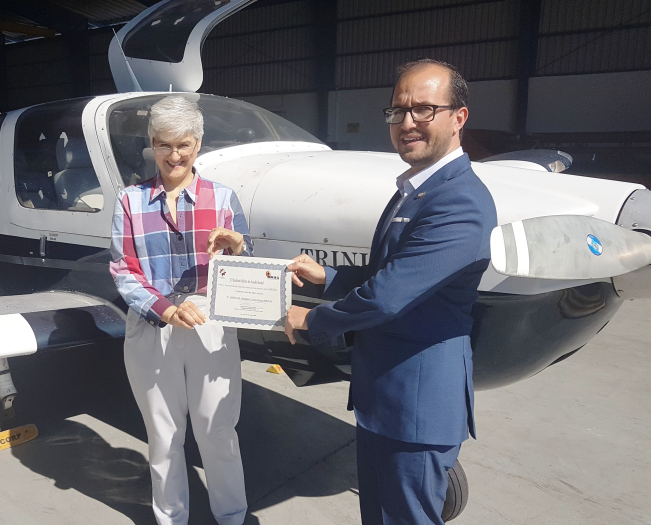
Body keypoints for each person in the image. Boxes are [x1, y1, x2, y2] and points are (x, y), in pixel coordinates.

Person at [284, 59, 497, 524]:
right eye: (398, 111)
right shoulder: (414, 189)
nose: (407, 123)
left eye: (424, 110)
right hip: (386, 397)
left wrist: (311, 319)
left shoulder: (459, 201)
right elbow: (389, 271)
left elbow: (387, 297)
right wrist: (328, 276)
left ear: (458, 117)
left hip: (417, 405)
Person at [109, 95, 251, 525]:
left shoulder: (223, 198)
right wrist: (165, 311)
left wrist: (240, 249)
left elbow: (248, 273)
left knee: (217, 429)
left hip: (209, 321)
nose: (174, 156)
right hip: (151, 323)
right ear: (151, 144)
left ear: (198, 144)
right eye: (164, 145)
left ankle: (233, 516)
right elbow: (124, 269)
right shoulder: (130, 201)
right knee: (163, 434)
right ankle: (170, 518)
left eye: (184, 145)